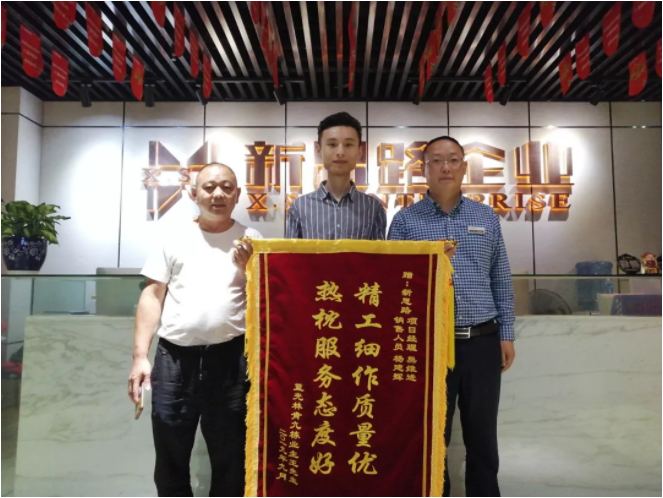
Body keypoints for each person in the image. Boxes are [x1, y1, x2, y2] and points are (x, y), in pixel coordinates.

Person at [388, 136, 515, 497]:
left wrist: (507, 333)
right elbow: (395, 284)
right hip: (430, 344)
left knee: (482, 436)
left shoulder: (485, 217)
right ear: (424, 169)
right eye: (436, 160)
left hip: (482, 342)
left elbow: (500, 277)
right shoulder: (405, 221)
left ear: (464, 167)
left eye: (453, 160)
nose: (446, 167)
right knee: (431, 436)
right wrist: (428, 264)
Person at [127, 163, 261, 497]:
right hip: (175, 359)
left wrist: (249, 270)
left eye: (227, 187)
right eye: (209, 187)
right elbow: (152, 295)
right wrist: (140, 357)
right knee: (170, 456)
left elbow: (267, 302)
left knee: (232, 458)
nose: (218, 194)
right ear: (193, 193)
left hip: (231, 360)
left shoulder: (252, 240)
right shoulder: (173, 236)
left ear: (238, 195)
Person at [286, 112, 386, 240]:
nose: (340, 152)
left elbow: (379, 253)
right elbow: (289, 252)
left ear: (359, 151)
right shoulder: (300, 207)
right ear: (318, 149)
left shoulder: (373, 208)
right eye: (332, 144)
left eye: (348, 144)